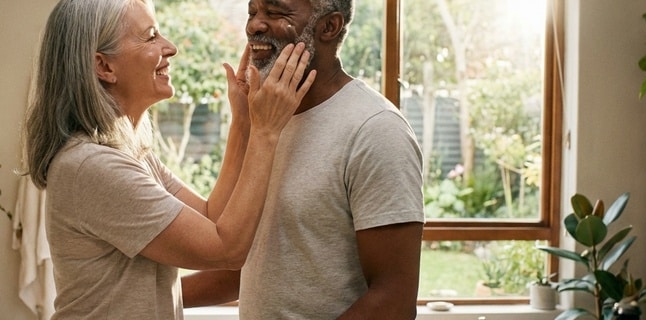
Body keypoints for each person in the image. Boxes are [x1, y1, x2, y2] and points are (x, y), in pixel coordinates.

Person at [22, 0, 316, 319]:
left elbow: (212, 218)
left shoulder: (132, 155)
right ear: (104, 67)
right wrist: (266, 131)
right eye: (151, 36)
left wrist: (243, 122)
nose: (170, 47)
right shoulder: (92, 165)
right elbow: (227, 250)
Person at [182, 0, 425, 319]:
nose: (254, 25)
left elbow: (394, 300)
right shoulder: (267, 123)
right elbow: (246, 268)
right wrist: (141, 294)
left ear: (329, 26)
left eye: (275, 12)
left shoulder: (376, 129)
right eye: (252, 12)